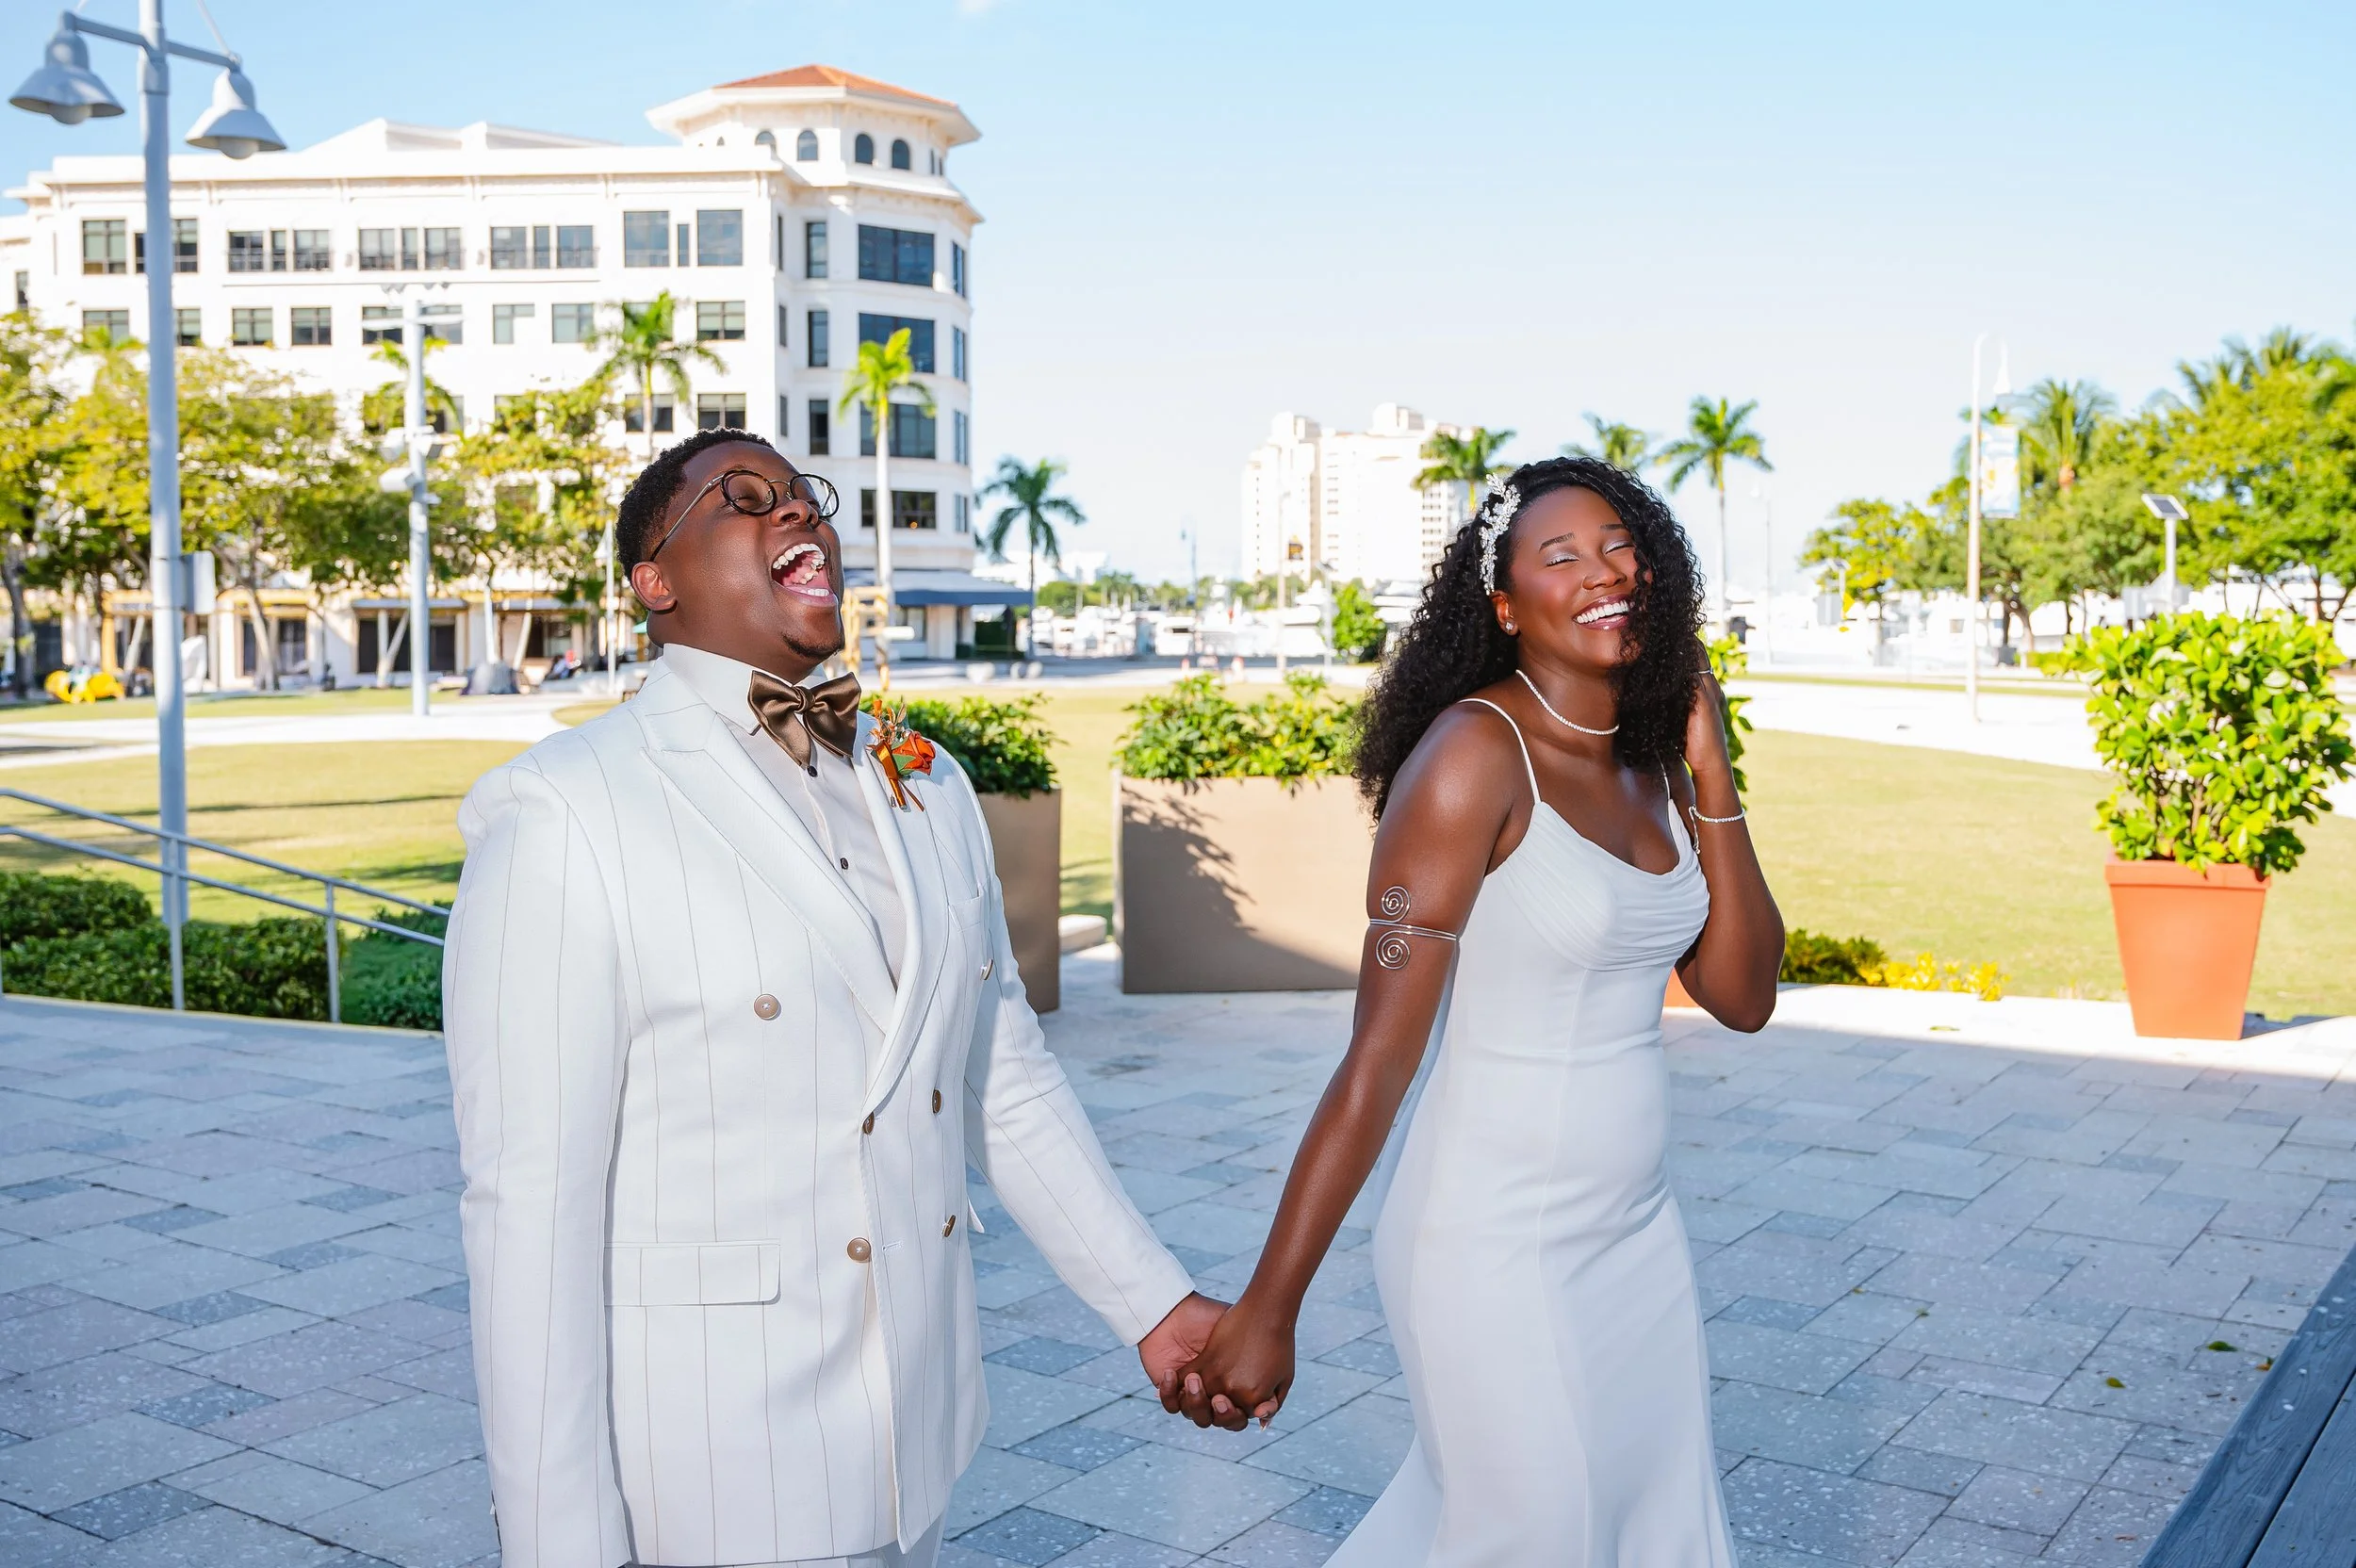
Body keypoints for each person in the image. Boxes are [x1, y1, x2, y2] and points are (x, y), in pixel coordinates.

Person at [442, 427, 1227, 1568]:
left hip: (915, 1438)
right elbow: (530, 1216)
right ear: (652, 584)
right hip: (711, 1464)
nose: (801, 513)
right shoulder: (564, 811)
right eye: (745, 499)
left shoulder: (928, 780)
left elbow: (1000, 1079)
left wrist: (1152, 1304)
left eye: (807, 496)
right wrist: (562, 1544)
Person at [1171, 457, 1784, 1564]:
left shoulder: (1650, 761)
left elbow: (1740, 997)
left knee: (1650, 1523)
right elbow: (1375, 1062)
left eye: (1618, 545)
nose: (1604, 572)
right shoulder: (1470, 757)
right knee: (1530, 1532)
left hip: (1638, 1236)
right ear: (1503, 606)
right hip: (1490, 1242)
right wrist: (1272, 1299)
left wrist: (1711, 766)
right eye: (1560, 556)